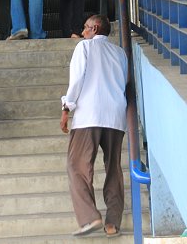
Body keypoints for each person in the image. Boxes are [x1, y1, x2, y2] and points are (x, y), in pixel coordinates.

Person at [60, 15, 128, 238]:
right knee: (113, 168)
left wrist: (66, 107)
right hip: (115, 116)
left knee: (77, 165)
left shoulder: (84, 47)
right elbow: (124, 81)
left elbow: (77, 80)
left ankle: (90, 217)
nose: (83, 31)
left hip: (89, 114)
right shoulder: (120, 53)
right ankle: (113, 223)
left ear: (95, 28)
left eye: (85, 27)